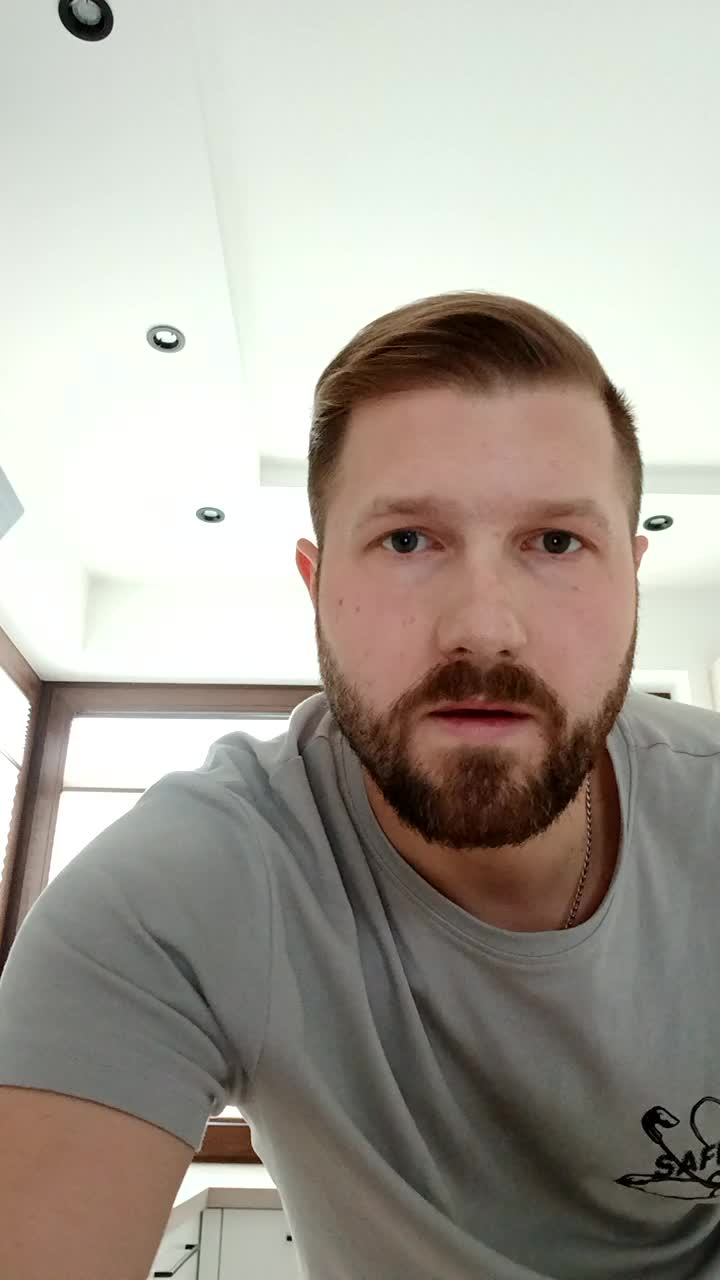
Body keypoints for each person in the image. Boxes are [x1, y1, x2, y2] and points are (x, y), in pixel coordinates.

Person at [2, 291, 720, 1280]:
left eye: (557, 541)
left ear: (631, 579)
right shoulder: (181, 890)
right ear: (315, 584)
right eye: (408, 539)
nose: (483, 627)